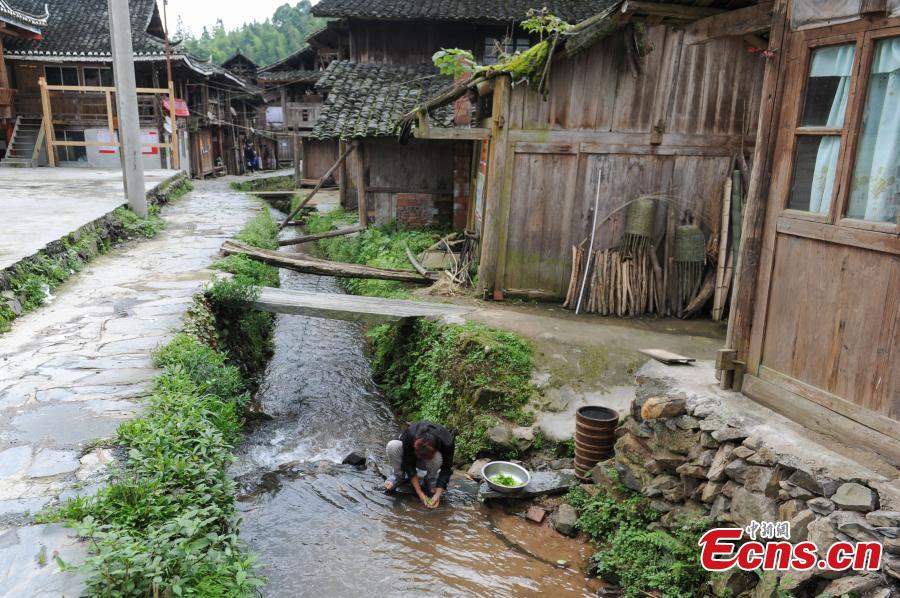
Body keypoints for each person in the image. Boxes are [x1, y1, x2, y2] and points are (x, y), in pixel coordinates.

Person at [384, 421, 455, 509]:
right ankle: (399, 475)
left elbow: (446, 469)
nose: (418, 456)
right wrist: (419, 492)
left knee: (437, 457)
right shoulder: (410, 433)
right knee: (393, 445)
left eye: (422, 455)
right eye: (417, 452)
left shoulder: (447, 442)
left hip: (430, 462)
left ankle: (431, 478)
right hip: (408, 455)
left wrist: (438, 494)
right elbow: (408, 464)